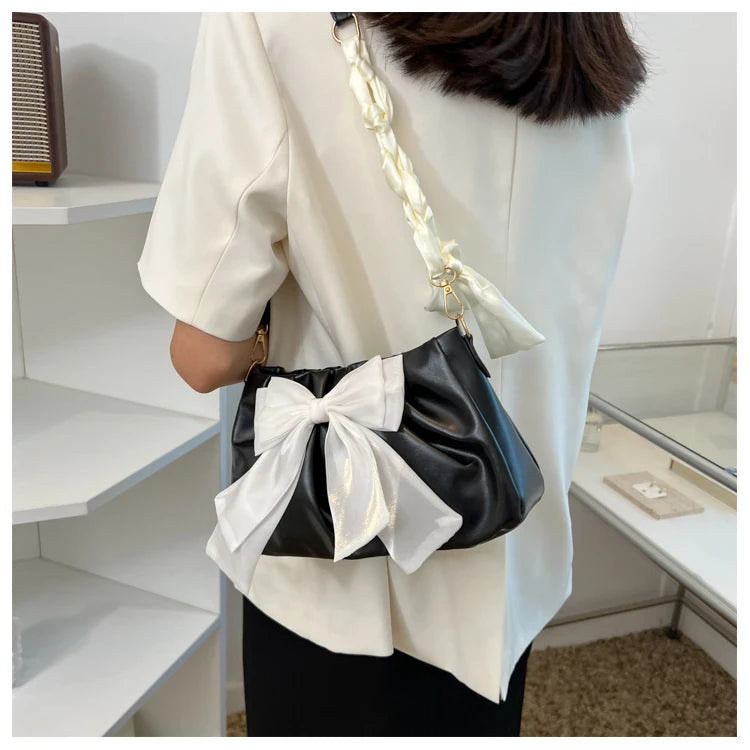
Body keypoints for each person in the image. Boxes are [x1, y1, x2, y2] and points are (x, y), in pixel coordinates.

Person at [137, 12, 647, 737]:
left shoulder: (273, 20)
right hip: (513, 546)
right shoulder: (586, 40)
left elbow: (202, 356)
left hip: (346, 566)